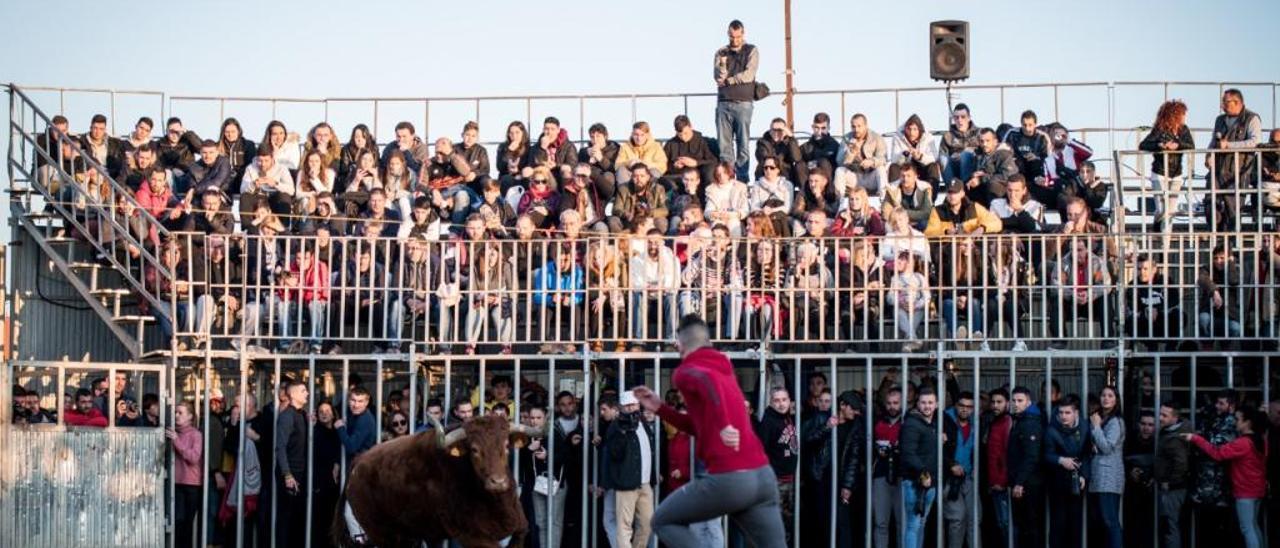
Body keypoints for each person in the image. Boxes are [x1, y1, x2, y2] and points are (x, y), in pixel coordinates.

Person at [633, 315, 785, 548]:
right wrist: (660, 408)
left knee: (662, 521)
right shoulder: (724, 367)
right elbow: (699, 425)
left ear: (679, 344)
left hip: (730, 479)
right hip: (763, 478)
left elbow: (706, 381)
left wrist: (723, 423)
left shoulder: (686, 371)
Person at [1185, 405, 1270, 548]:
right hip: (1257, 490)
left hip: (1245, 492)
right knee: (1254, 526)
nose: (1234, 422)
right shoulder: (1261, 441)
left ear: (1247, 423)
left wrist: (1195, 439)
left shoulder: (1243, 443)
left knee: (1247, 528)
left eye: (1238, 419)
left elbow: (1217, 453)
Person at [1206, 89, 1263, 232]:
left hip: (1238, 172)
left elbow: (1255, 142)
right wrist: (1208, 156)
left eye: (1225, 102)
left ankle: (1231, 246)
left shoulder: (1252, 118)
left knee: (1233, 209)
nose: (1222, 106)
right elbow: (1214, 141)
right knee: (1210, 203)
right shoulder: (1220, 120)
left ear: (1237, 102)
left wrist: (1229, 146)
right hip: (1217, 170)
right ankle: (1217, 238)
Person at [607, 390, 656, 548]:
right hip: (626, 483)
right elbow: (614, 453)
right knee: (624, 526)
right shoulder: (616, 426)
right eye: (627, 406)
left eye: (633, 405)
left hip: (645, 483)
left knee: (647, 524)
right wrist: (623, 430)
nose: (631, 409)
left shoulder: (644, 424)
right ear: (621, 407)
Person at [1139, 100, 1196, 231]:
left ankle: (1165, 247)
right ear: (1173, 115)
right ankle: (1157, 224)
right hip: (1159, 172)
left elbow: (1191, 145)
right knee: (1161, 209)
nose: (1184, 117)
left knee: (1170, 212)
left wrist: (1178, 145)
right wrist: (1159, 146)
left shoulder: (1183, 130)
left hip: (1176, 174)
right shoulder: (1160, 129)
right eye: (1182, 114)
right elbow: (1144, 145)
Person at [715, 19, 759, 182]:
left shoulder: (751, 50)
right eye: (732, 37)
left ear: (743, 34)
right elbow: (718, 76)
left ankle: (742, 179)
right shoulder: (721, 52)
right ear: (728, 35)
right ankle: (727, 178)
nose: (735, 40)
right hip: (724, 102)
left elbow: (749, 75)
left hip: (743, 103)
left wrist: (730, 80)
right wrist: (723, 66)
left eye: (738, 36)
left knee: (743, 144)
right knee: (724, 145)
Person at [755, 387, 799, 545]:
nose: (781, 404)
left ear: (789, 401)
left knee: (786, 522)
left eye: (784, 400)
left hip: (789, 478)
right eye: (777, 400)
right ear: (771, 402)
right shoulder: (768, 422)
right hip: (776, 480)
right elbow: (760, 451)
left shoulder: (787, 418)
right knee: (777, 524)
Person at [899, 385, 939, 548]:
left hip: (930, 483)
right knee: (913, 526)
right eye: (923, 403)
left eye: (930, 403)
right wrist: (923, 474)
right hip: (915, 483)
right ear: (917, 404)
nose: (927, 406)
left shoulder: (932, 425)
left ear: (937, 404)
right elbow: (908, 453)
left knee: (921, 524)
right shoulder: (911, 424)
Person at [1088, 387, 1125, 548]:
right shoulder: (1103, 418)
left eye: (1110, 395)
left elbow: (1107, 448)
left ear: (1116, 399)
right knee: (1101, 521)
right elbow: (1097, 444)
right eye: (1103, 395)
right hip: (1099, 477)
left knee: (1110, 520)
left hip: (1109, 478)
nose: (1106, 398)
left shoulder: (1115, 421)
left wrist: (1096, 427)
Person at [274, 380, 309, 548]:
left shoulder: (301, 414)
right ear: (293, 394)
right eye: (303, 391)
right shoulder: (287, 415)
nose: (307, 393)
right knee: (286, 518)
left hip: (299, 473)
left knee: (295, 518)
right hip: (290, 475)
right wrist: (287, 475)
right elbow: (280, 447)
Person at [1008, 386, 1044, 548]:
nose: (1016, 404)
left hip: (1029, 483)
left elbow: (1031, 456)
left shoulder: (1030, 423)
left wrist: (1020, 482)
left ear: (1029, 402)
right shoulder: (1022, 420)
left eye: (1020, 401)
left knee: (1030, 526)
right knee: (1025, 526)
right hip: (1025, 481)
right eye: (1014, 400)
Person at [1154, 401, 1192, 548]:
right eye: (1160, 413)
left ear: (1175, 418)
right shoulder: (1173, 431)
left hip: (1174, 489)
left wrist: (1170, 482)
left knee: (1171, 526)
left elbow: (1181, 464)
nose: (1160, 418)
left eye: (1164, 415)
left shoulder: (1176, 437)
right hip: (1174, 487)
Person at [942, 391, 977, 548]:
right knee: (958, 518)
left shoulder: (976, 423)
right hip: (948, 478)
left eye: (969, 407)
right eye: (962, 405)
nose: (965, 409)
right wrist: (950, 465)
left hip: (969, 477)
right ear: (956, 405)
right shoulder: (944, 420)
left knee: (974, 519)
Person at [871, 386, 904, 548]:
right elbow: (867, 444)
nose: (892, 406)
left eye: (896, 403)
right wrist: (876, 449)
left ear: (902, 403)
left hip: (902, 475)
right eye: (889, 403)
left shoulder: (909, 422)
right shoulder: (876, 421)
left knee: (901, 523)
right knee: (880, 523)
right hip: (880, 474)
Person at [168, 401, 203, 548]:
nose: (176, 415)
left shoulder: (196, 434)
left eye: (180, 413)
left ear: (190, 416)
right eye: (175, 412)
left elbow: (194, 458)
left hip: (191, 485)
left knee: (186, 525)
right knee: (177, 523)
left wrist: (177, 441)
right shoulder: (171, 432)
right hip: (174, 483)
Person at [836, 114, 889, 197]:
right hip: (855, 176)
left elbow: (883, 158)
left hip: (871, 176)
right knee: (839, 170)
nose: (856, 129)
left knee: (881, 169)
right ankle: (840, 202)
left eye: (859, 126)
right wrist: (850, 154)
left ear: (865, 126)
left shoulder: (876, 138)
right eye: (853, 126)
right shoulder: (846, 139)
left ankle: (882, 200)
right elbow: (839, 161)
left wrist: (872, 161)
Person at [755, 117, 806, 187]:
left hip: (786, 174)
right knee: (765, 166)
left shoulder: (789, 142)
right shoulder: (763, 142)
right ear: (770, 130)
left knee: (799, 165)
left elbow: (796, 158)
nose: (776, 133)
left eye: (779, 130)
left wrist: (791, 138)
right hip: (768, 171)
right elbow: (764, 158)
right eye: (774, 130)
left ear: (785, 131)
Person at [940, 104, 981, 184]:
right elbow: (942, 154)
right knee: (942, 159)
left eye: (963, 117)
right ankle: (952, 189)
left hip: (973, 166)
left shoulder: (979, 133)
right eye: (956, 117)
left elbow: (986, 151)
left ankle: (966, 189)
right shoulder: (947, 136)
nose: (959, 120)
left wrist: (970, 152)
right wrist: (953, 156)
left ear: (969, 118)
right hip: (954, 167)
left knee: (966, 155)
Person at [334, 386, 376, 464]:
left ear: (366, 402)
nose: (356, 405)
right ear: (348, 400)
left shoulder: (365, 419)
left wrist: (340, 428)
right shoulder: (352, 413)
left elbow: (351, 447)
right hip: (356, 463)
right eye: (353, 400)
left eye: (360, 401)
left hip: (361, 464)